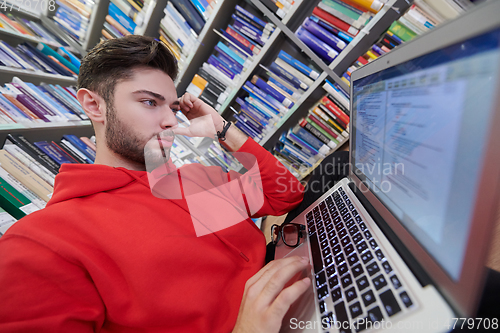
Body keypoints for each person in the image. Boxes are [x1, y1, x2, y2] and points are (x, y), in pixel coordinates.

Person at [0, 36, 311, 333]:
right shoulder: (40, 241)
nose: (172, 122)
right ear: (94, 106)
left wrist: (221, 128)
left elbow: (284, 193)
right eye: (150, 102)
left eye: (172, 108)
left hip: (312, 295)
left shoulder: (190, 179)